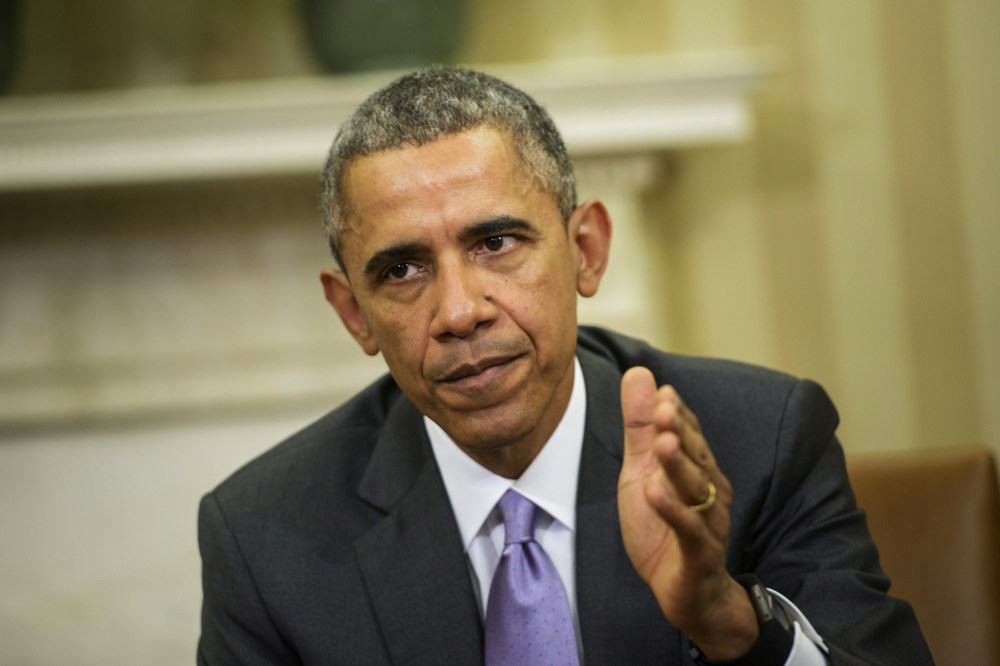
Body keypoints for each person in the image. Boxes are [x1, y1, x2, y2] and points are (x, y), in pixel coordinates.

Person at [198, 66, 931, 665]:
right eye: (402, 270)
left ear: (586, 250)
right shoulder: (265, 535)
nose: (459, 311)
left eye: (496, 243)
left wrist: (728, 620)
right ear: (353, 313)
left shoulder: (763, 438)